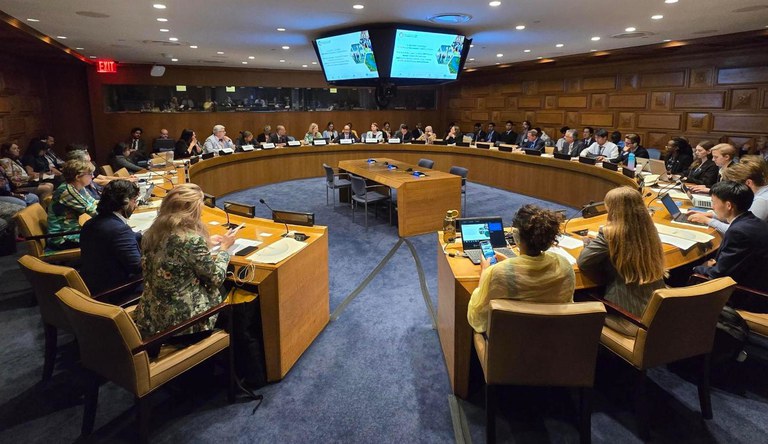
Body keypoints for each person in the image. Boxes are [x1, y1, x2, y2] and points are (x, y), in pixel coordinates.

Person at [133, 183, 236, 346]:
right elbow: (216, 278)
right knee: (234, 295)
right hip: (183, 325)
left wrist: (207, 242)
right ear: (191, 210)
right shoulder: (191, 241)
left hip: (151, 317)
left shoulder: (151, 233)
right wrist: (224, 250)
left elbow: (175, 255)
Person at [467, 204, 575, 333]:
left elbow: (477, 319)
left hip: (510, 343)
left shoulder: (497, 272)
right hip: (554, 339)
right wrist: (510, 263)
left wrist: (485, 272)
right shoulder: (564, 265)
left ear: (516, 236)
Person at [577, 187, 666, 332]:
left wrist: (588, 245)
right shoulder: (649, 228)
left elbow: (583, 262)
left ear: (614, 210)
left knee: (578, 303)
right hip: (656, 312)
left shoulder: (610, 233)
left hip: (629, 318)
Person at [692, 181, 768, 292]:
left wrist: (697, 268)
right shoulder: (753, 221)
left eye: (714, 202)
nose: (712, 207)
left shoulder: (738, 232)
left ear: (728, 205)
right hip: (754, 280)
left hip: (748, 295)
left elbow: (718, 274)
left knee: (680, 275)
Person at [80, 179, 143, 296]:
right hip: (117, 291)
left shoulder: (92, 223)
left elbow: (114, 240)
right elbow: (138, 267)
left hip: (96, 284)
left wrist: (144, 235)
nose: (135, 205)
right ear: (125, 202)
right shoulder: (119, 230)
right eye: (134, 201)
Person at [687, 156, 768, 233]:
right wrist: (710, 215)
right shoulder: (757, 193)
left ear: (748, 183)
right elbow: (738, 218)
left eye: (735, 183)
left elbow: (740, 230)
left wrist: (707, 221)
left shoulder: (762, 200)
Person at [46, 159, 98, 250]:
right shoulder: (67, 191)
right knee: (108, 238)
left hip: (74, 231)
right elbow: (93, 211)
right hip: (63, 238)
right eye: (90, 174)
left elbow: (94, 202)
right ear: (78, 177)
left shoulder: (78, 187)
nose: (93, 176)